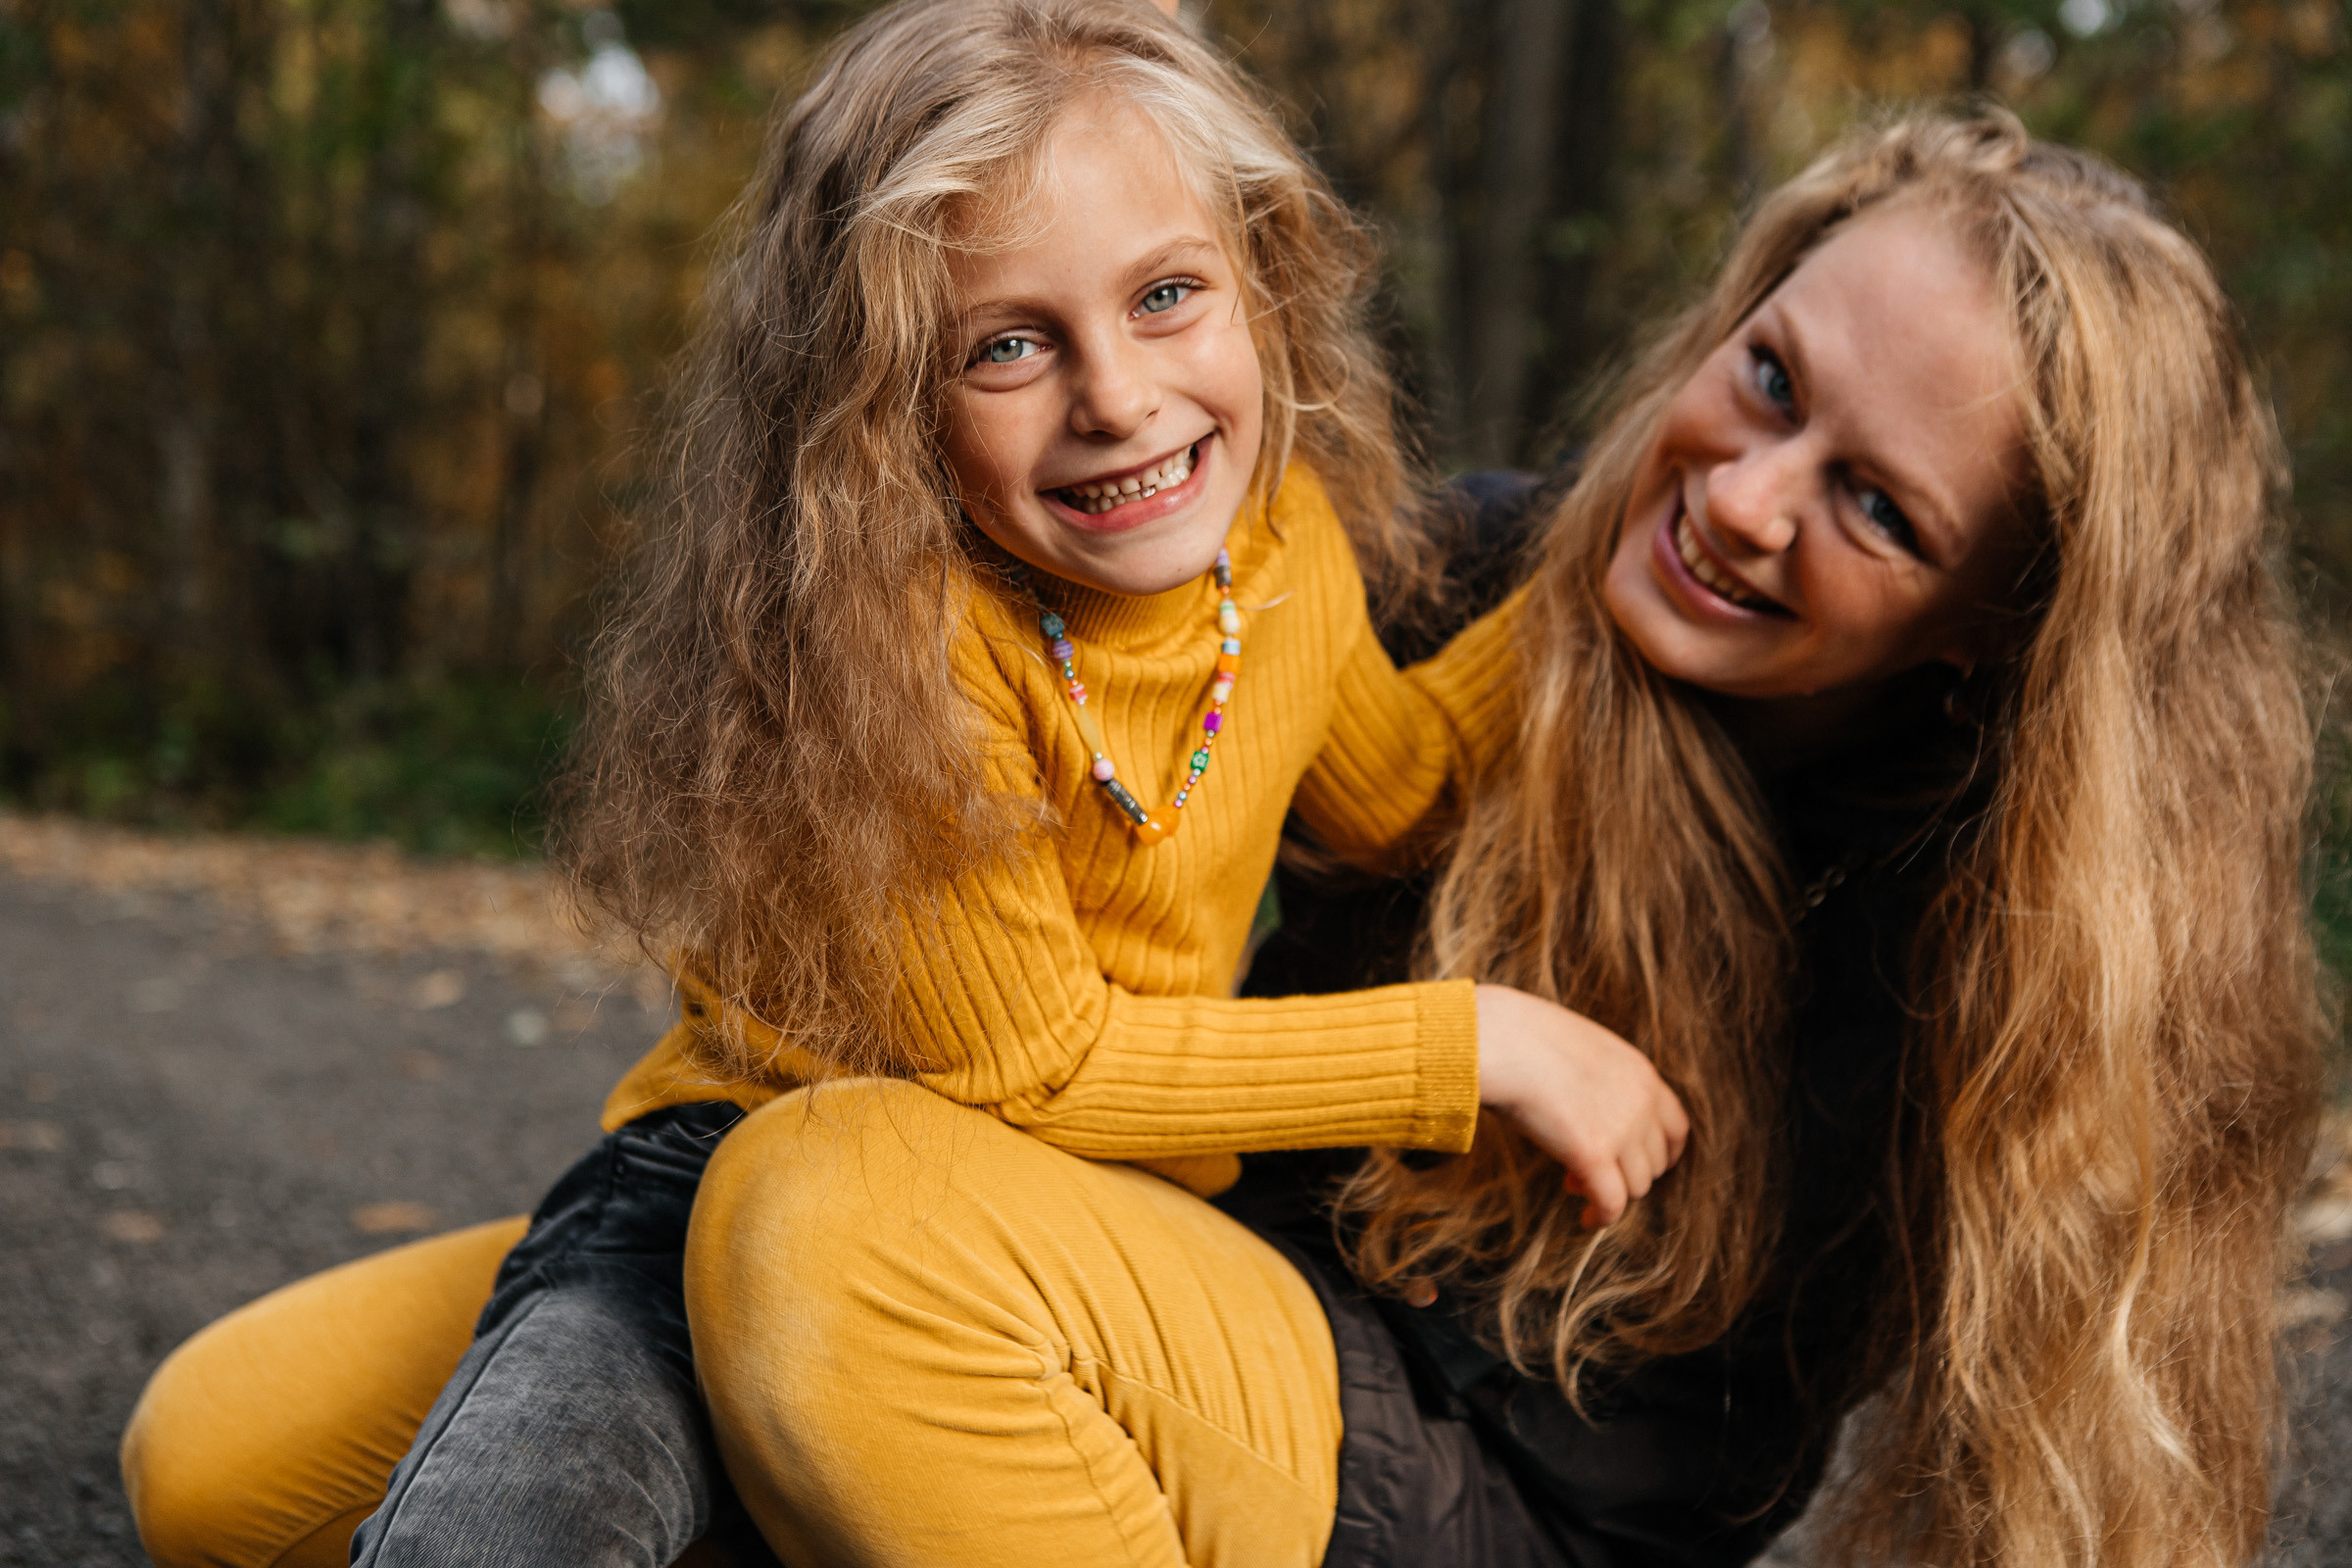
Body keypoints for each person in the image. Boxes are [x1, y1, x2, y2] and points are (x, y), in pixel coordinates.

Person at [119, 3, 1688, 1564]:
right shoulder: (901, 634)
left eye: (1167, 295)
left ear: (1262, 290)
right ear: (881, 402)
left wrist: (1610, 575)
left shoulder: (1285, 559)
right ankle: (758, 1462)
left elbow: (1399, 787)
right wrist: (1470, 1043)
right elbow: (1047, 1069)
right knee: (216, 1476)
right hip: (712, 1194)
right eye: (1008, 343)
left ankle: (798, 1464)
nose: (1120, 397)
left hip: (1009, 1255)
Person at [678, 111, 2324, 1568]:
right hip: (1185, 1293)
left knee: (828, 1227)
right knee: (570, 1330)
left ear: (1999, 626)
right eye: (1767, 382)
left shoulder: (2006, 909)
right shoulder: (1465, 576)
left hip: (1505, 1503)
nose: (1747, 499)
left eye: (1879, 510)